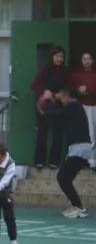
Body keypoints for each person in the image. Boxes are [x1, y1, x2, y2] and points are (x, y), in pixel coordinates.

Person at [53, 85, 92, 218]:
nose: (57, 97)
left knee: (62, 177)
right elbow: (58, 119)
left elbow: (55, 114)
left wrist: (46, 102)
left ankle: (79, 207)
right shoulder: (74, 107)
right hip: (80, 148)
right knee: (66, 178)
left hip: (79, 148)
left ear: (65, 95)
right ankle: (78, 206)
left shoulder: (72, 105)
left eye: (59, 94)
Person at [31, 46, 71, 169]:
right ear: (52, 57)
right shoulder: (45, 70)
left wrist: (61, 94)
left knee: (57, 134)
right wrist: (44, 91)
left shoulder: (65, 71)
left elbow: (69, 87)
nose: (59, 59)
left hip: (59, 105)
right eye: (57, 56)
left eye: (62, 56)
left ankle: (55, 161)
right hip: (45, 105)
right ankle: (40, 161)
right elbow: (34, 84)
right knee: (42, 133)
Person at [72, 52, 96, 168]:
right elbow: (74, 90)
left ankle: (93, 160)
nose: (86, 61)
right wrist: (80, 90)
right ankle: (86, 159)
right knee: (86, 134)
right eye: (84, 59)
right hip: (83, 106)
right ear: (81, 61)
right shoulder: (77, 75)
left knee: (94, 133)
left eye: (89, 59)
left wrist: (88, 89)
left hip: (94, 106)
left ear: (92, 61)